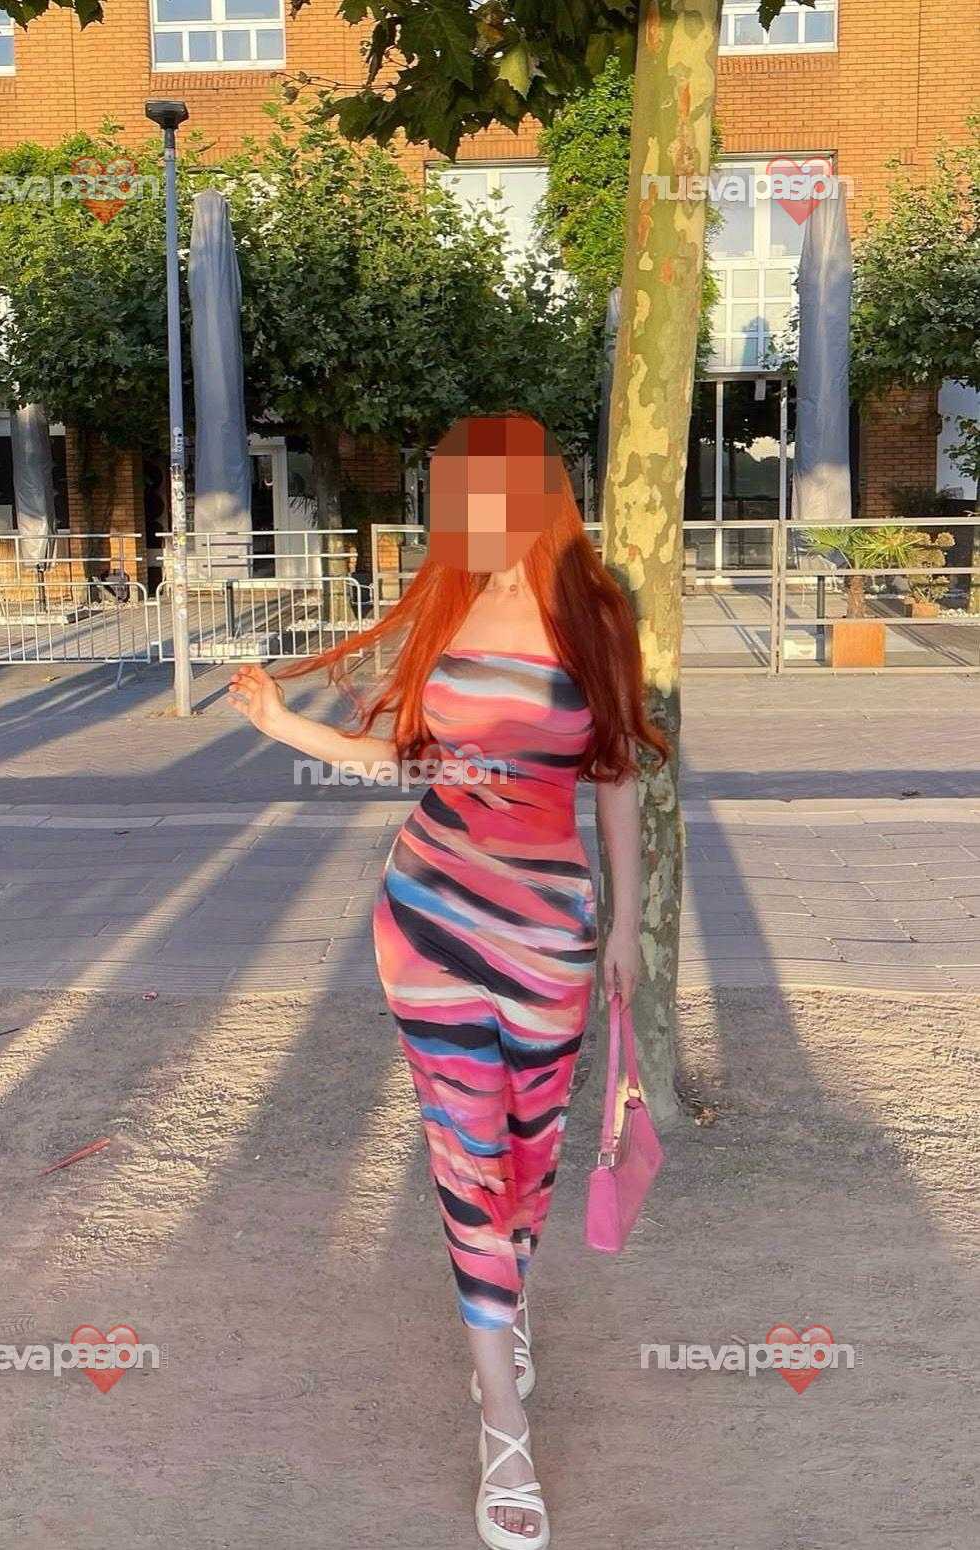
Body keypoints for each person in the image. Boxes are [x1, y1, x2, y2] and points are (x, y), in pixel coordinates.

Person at [228, 411, 666, 1549]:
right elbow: (410, 759)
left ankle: (503, 1305)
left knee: (530, 1151)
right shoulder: (447, 608)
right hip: (427, 918)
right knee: (465, 1154)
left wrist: (626, 926)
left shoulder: (596, 612)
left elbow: (616, 770)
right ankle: (504, 1422)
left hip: (551, 927)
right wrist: (284, 726)